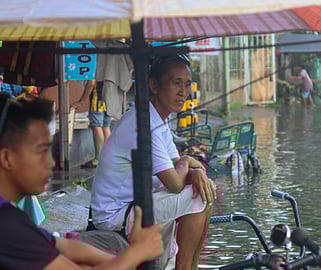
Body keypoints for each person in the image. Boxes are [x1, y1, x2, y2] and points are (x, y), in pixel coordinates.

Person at [0, 93, 164, 270]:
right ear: (7, 158)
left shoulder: (12, 216)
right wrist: (137, 252)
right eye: (41, 151)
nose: (51, 162)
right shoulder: (6, 224)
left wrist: (123, 259)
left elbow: (65, 246)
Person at [90, 53, 216, 270]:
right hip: (116, 216)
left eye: (187, 84)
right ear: (154, 86)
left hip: (137, 205)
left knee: (202, 187)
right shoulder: (142, 123)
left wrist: (195, 171)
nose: (183, 92)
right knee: (198, 196)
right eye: (176, 83)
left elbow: (177, 164)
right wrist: (188, 163)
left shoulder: (158, 119)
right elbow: (174, 182)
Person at [72, 80, 111, 168]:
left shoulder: (94, 66)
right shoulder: (109, 66)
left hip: (97, 99)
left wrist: (82, 101)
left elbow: (91, 82)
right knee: (106, 126)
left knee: (97, 126)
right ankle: (108, 157)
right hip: (108, 98)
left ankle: (98, 159)